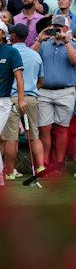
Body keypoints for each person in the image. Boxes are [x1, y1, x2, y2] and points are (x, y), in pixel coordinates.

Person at [32, 15, 76, 168]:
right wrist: (39, 39)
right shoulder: (45, 44)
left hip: (65, 91)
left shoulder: (73, 44)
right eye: (55, 26)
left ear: (67, 28)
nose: (58, 29)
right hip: (45, 91)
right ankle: (44, 163)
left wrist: (66, 40)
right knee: (44, 128)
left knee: (61, 129)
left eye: (61, 26)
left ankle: (59, 163)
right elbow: (32, 58)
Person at [0, 22, 28, 182]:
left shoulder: (11, 52)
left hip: (3, 100)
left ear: (4, 34)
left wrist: (22, 99)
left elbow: (19, 78)